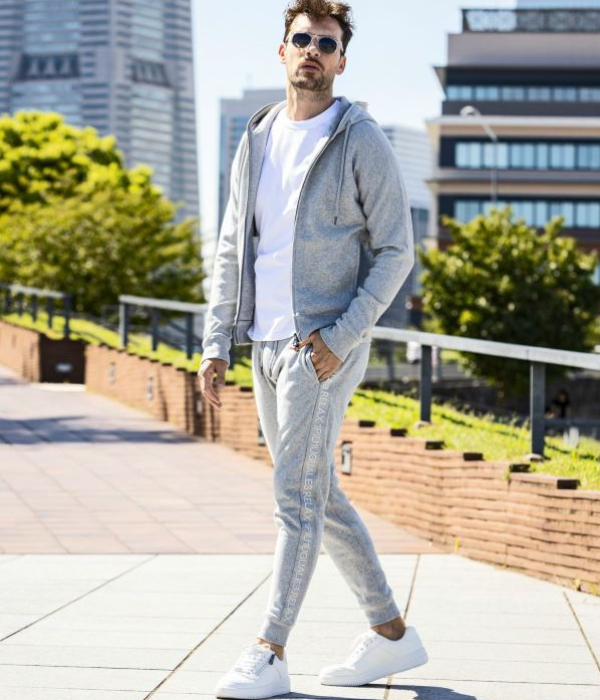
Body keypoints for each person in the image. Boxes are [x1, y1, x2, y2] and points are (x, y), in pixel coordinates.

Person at [198, 1, 429, 697]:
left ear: (341, 61)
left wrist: (341, 336)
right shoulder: (258, 135)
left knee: (294, 499)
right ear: (283, 50)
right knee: (315, 493)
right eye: (302, 39)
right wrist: (216, 340)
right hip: (264, 341)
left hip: (320, 344)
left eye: (326, 44)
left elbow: (397, 250)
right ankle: (391, 633)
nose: (312, 51)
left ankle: (269, 650)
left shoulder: (360, 139)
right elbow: (234, 244)